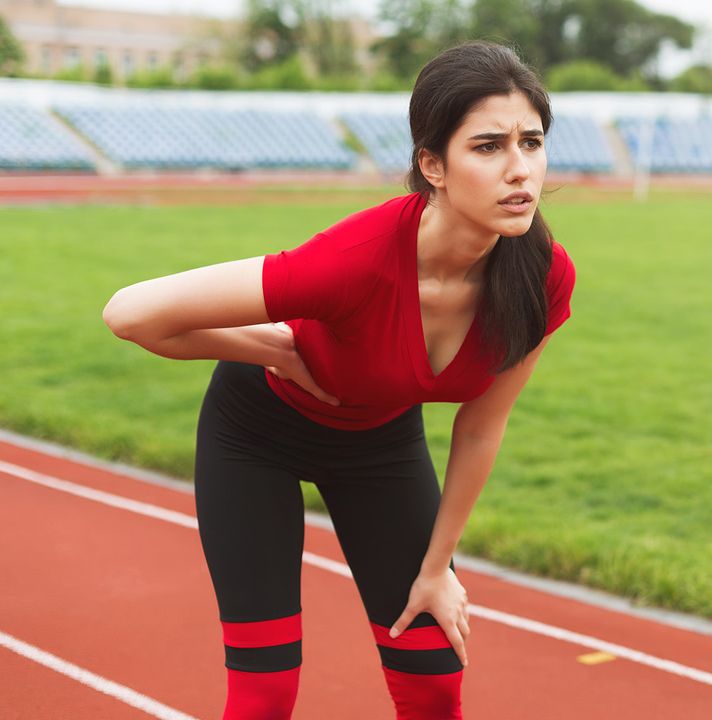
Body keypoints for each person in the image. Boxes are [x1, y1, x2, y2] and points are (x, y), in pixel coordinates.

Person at [101, 40, 575, 719]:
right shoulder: (353, 262)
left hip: (379, 445)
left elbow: (480, 428)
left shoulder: (541, 277)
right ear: (433, 165)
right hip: (257, 435)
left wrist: (438, 569)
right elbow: (131, 314)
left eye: (532, 142)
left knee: (435, 679)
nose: (519, 170)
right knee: (266, 692)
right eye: (489, 147)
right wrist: (272, 351)